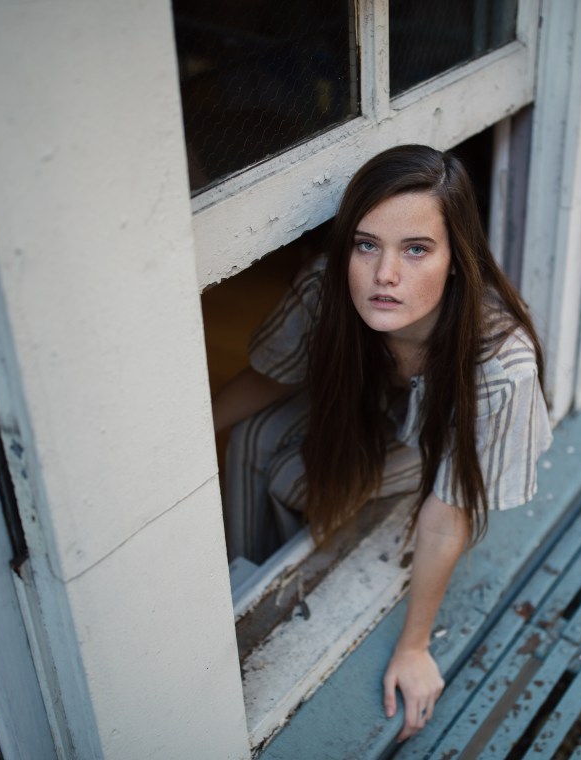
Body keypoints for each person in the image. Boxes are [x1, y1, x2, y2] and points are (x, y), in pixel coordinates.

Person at [212, 144, 552, 741]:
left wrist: (415, 645)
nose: (384, 275)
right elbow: (271, 375)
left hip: (438, 438)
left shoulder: (500, 364)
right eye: (366, 244)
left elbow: (448, 514)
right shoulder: (329, 289)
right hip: (367, 412)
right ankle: (246, 586)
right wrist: (181, 462)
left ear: (456, 258)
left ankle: (289, 583)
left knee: (291, 477)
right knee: (253, 435)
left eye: (415, 249)